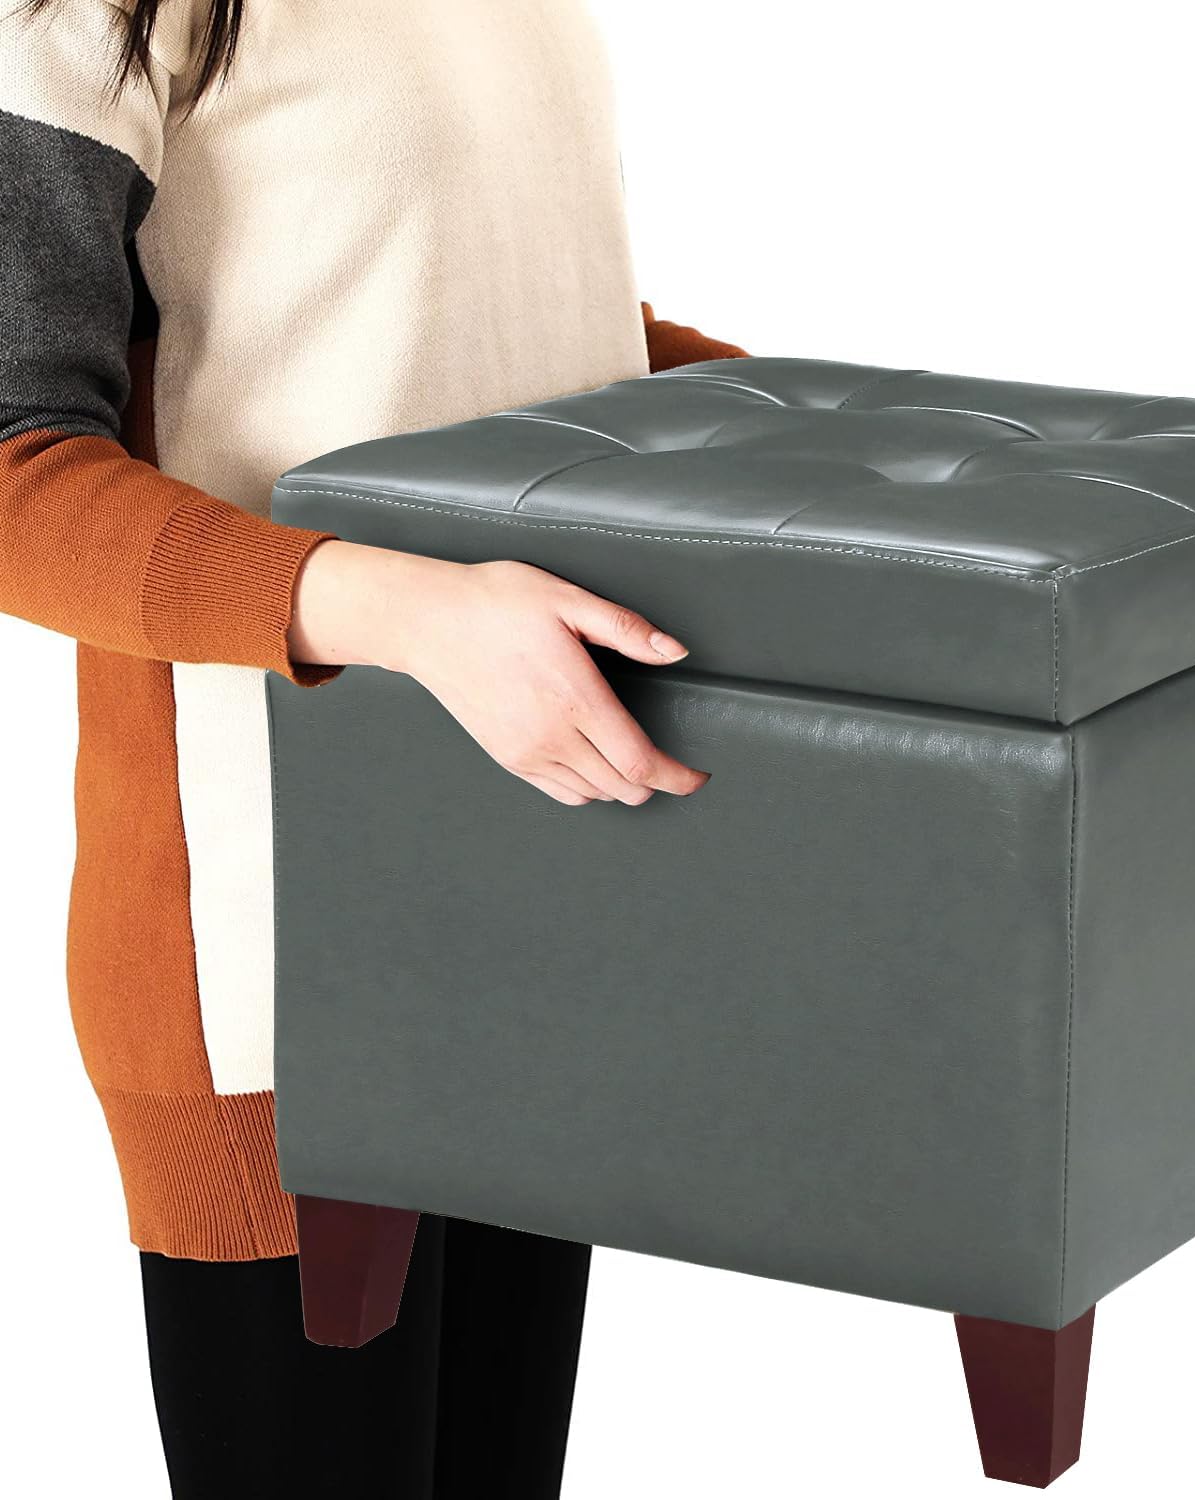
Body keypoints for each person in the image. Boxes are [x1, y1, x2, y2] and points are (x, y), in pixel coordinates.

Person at [0, 2, 742, 1493]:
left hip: (551, 877)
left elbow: (536, 344)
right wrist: (412, 613)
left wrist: (845, 441)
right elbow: (16, 466)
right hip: (270, 945)